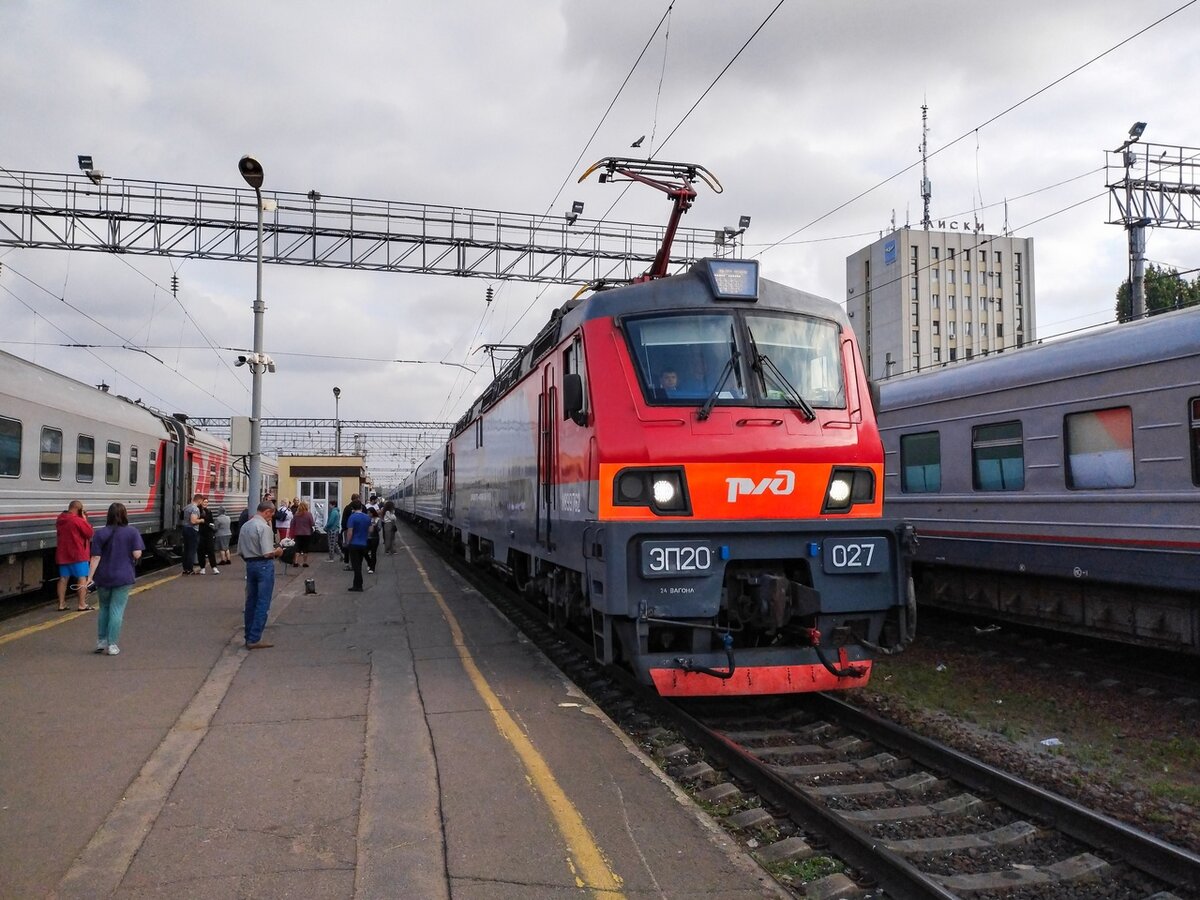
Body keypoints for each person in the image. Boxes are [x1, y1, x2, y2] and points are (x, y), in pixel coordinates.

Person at [87, 502, 144, 656]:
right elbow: (137, 554)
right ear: (125, 514)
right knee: (117, 610)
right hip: (123, 577)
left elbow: (95, 557)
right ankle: (112, 645)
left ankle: (101, 641)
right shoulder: (132, 532)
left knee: (104, 608)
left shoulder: (100, 533)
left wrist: (90, 577)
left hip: (103, 577)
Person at [237, 501, 284, 649]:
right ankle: (254, 638)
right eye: (271, 514)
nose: (271, 518)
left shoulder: (246, 526)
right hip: (264, 565)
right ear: (268, 512)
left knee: (251, 601)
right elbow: (267, 552)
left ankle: (248, 636)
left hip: (250, 564)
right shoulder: (264, 528)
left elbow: (240, 551)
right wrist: (279, 551)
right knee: (263, 602)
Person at [56, 500, 95, 611]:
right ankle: (82, 604)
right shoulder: (78, 520)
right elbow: (89, 533)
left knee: (63, 578)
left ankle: (61, 604)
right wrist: (84, 519)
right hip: (78, 554)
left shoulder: (60, 519)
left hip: (63, 554)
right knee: (82, 578)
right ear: (78, 509)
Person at [343, 501, 370, 591]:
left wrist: (347, 542)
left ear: (353, 509)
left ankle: (359, 585)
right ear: (361, 508)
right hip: (363, 544)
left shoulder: (352, 517)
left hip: (354, 544)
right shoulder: (367, 517)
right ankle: (356, 584)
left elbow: (350, 532)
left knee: (356, 566)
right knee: (359, 564)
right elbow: (370, 530)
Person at [197, 495, 219, 575]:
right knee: (201, 551)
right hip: (200, 533)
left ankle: (214, 567)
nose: (205, 503)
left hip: (209, 533)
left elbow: (211, 522)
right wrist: (206, 523)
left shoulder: (209, 511)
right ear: (201, 502)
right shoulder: (197, 511)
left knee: (211, 550)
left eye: (207, 502)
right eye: (204, 502)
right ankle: (202, 568)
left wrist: (208, 524)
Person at [181, 493, 202, 575]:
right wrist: (201, 520)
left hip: (185, 528)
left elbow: (181, 517)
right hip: (192, 530)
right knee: (191, 550)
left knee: (186, 550)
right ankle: (190, 569)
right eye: (201, 501)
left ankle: (185, 568)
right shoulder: (195, 509)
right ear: (199, 500)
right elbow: (193, 521)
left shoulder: (186, 507)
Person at [291, 500, 315, 567]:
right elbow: (312, 523)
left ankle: (295, 562)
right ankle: (305, 562)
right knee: (305, 548)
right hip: (307, 533)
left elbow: (293, 523)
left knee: (297, 548)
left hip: (298, 533)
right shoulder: (309, 514)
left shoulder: (296, 514)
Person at [365, 507, 381, 574]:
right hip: (367, 538)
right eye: (367, 513)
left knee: (373, 553)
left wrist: (375, 526)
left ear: (373, 513)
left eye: (369, 513)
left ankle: (372, 568)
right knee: (365, 552)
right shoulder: (366, 519)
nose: (368, 514)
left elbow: (379, 529)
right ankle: (369, 562)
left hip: (375, 538)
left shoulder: (378, 519)